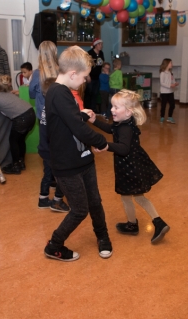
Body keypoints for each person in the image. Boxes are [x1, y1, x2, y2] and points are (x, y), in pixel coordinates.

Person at [44, 45, 112, 262]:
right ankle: (54, 245)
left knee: (95, 202)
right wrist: (102, 141)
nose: (85, 81)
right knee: (80, 209)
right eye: (83, 77)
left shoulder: (62, 92)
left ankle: (103, 237)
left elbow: (69, 120)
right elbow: (76, 127)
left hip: (83, 159)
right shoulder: (58, 93)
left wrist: (81, 115)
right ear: (73, 74)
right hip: (67, 165)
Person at [89, 89, 169, 243]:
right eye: (112, 106)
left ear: (128, 112)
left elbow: (124, 148)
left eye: (116, 107)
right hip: (133, 165)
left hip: (129, 167)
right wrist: (94, 121)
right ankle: (140, 223)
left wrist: (106, 146)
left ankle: (153, 223)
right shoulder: (124, 122)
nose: (112, 110)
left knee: (130, 197)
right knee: (135, 197)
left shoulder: (125, 128)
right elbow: (111, 129)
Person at [29, 41, 70, 213]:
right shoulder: (61, 72)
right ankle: (57, 198)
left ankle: (44, 196)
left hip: (43, 118)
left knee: (47, 155)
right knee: (60, 156)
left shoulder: (37, 74)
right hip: (59, 119)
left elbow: (31, 93)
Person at [0, 75, 35, 175]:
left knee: (13, 141)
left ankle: (16, 166)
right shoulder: (7, 93)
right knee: (20, 140)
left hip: (21, 119)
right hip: (31, 113)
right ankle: (21, 163)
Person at [84, 38, 104, 113]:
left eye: (101, 44)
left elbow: (102, 63)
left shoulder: (101, 53)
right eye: (99, 44)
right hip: (90, 76)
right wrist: (87, 75)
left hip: (98, 77)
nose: (101, 46)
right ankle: (87, 108)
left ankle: (93, 109)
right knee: (89, 92)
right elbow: (86, 64)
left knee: (95, 93)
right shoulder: (89, 53)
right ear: (95, 45)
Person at [159, 58, 179, 123]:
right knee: (163, 105)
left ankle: (170, 117)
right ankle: (162, 117)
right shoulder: (162, 73)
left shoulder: (170, 73)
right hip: (164, 92)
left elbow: (172, 80)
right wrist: (170, 85)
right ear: (167, 64)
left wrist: (175, 83)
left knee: (172, 105)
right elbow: (162, 83)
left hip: (170, 92)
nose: (172, 64)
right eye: (171, 63)